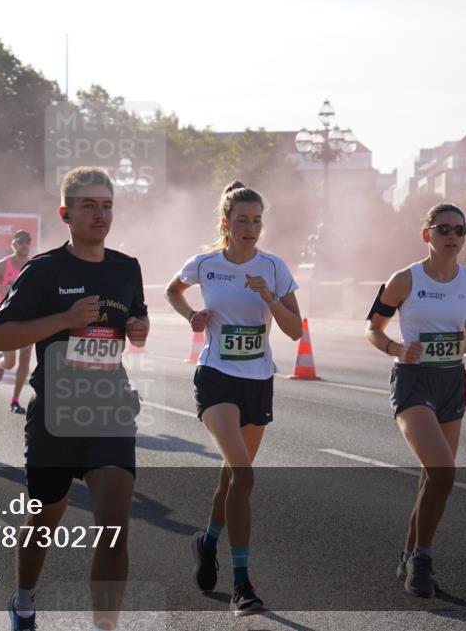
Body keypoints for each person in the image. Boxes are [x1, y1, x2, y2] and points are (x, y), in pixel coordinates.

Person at [0, 167, 149, 631]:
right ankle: (24, 601)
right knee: (43, 521)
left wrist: (139, 329)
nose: (101, 215)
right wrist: (63, 318)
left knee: (115, 526)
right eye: (89, 206)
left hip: (110, 406)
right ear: (66, 213)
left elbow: (136, 320)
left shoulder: (126, 268)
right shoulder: (44, 271)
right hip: (56, 412)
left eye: (107, 205)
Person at [164, 181, 302, 615]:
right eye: (242, 220)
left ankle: (206, 542)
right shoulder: (205, 263)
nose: (251, 228)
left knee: (230, 479)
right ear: (225, 223)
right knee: (243, 476)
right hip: (217, 378)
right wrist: (192, 315)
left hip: (257, 379)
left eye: (257, 220)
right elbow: (172, 290)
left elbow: (296, 330)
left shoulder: (275, 268)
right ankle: (243, 584)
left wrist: (270, 298)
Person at [366, 203, 466, 598]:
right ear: (427, 235)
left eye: (460, 229)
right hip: (413, 383)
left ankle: (409, 555)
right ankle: (422, 559)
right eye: (443, 229)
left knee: (431, 478)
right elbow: (372, 327)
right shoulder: (405, 279)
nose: (453, 236)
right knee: (443, 473)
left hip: (451, 383)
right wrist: (393, 346)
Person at [0, 230, 34, 413]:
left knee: (26, 357)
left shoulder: (34, 265)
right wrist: (1, 289)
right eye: (20, 241)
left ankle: (15, 400)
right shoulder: (3, 265)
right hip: (7, 318)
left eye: (27, 241)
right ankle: (1, 363)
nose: (24, 244)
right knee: (11, 362)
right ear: (13, 244)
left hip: (28, 318)